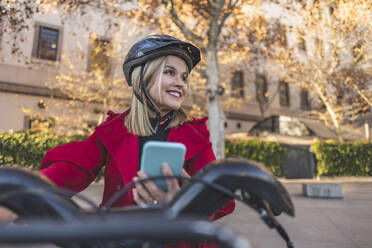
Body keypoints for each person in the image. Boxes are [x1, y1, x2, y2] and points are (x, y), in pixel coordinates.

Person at [40, 35, 234, 243]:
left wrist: (186, 201)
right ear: (143, 77)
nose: (180, 84)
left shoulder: (195, 134)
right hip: (118, 239)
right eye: (170, 72)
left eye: (184, 77)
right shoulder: (113, 129)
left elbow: (222, 199)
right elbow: (72, 168)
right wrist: (26, 192)